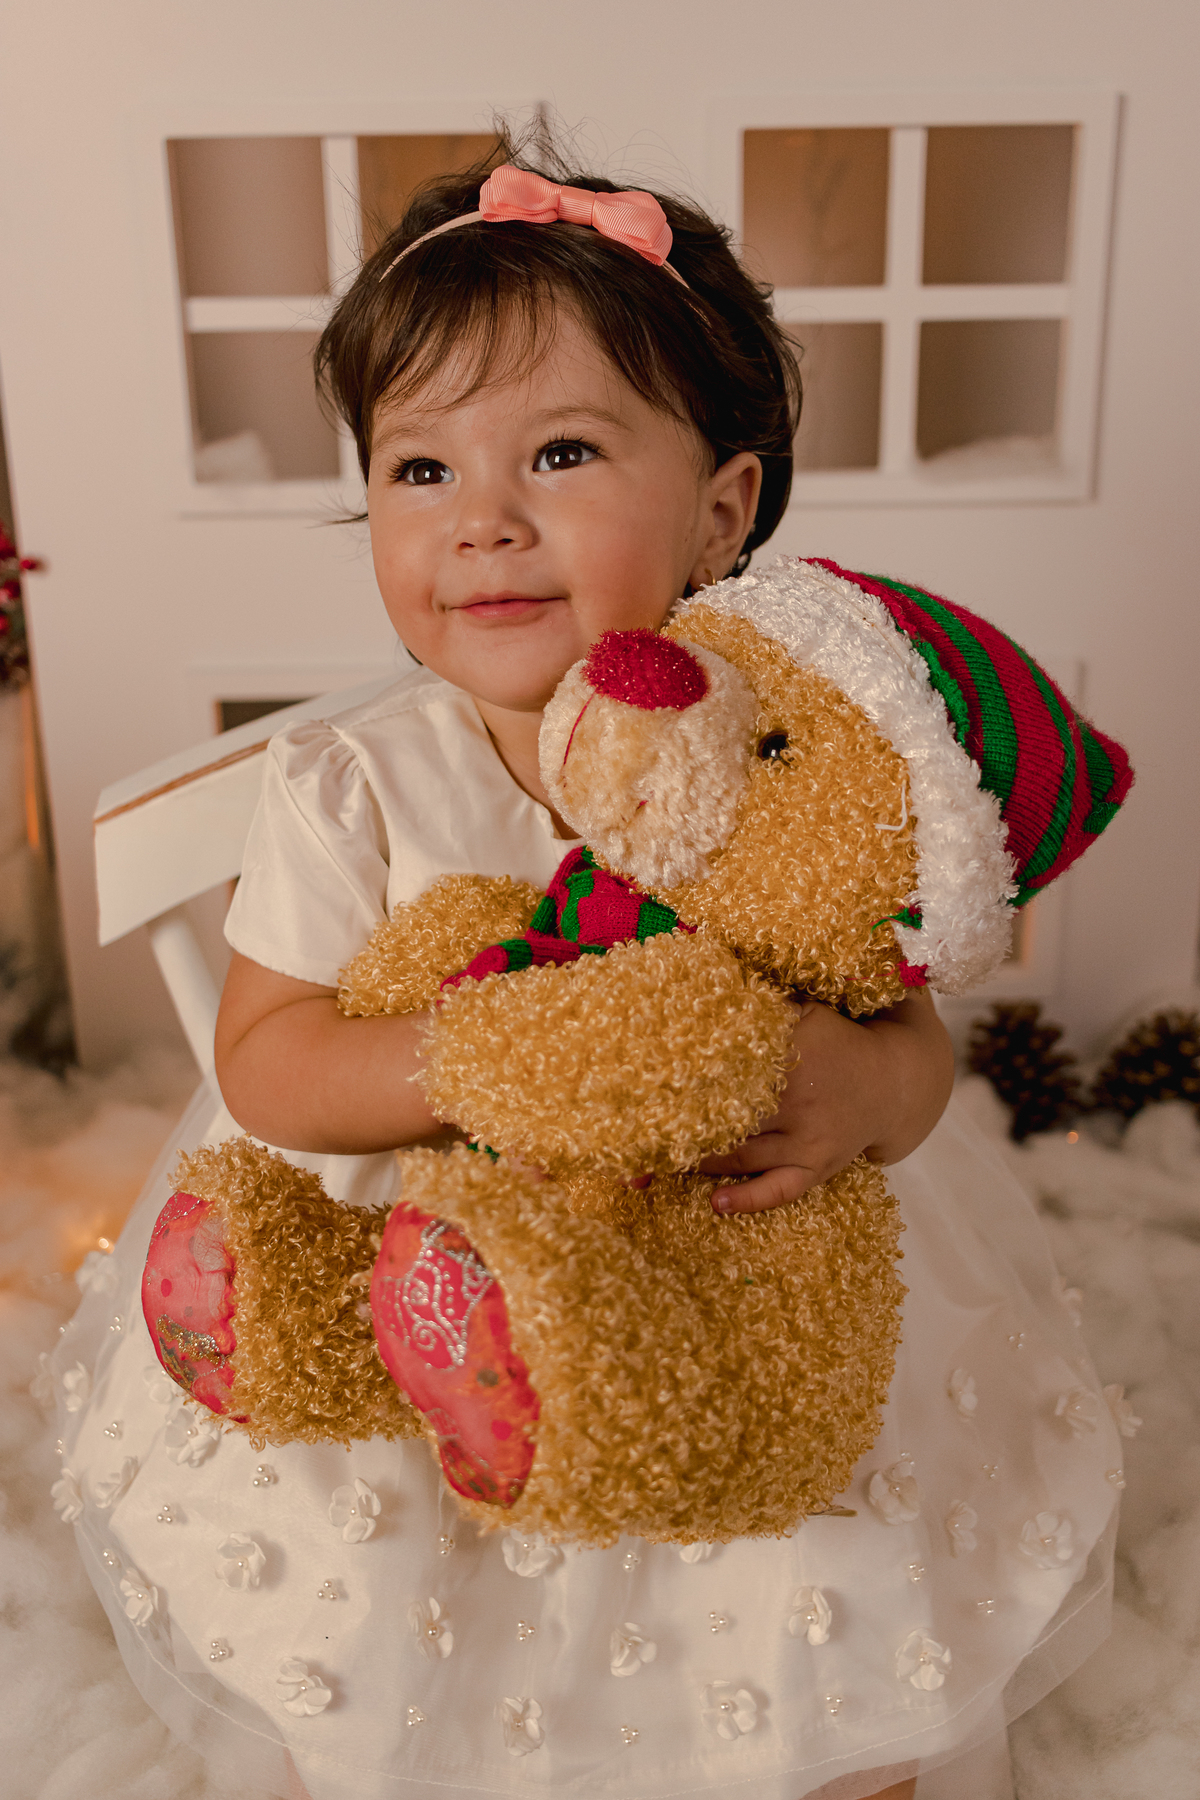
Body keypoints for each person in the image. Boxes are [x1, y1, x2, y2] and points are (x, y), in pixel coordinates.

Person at [53, 133, 1127, 1800]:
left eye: (558, 453)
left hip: (726, 1268)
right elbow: (267, 1055)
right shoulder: (358, 785)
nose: (482, 523)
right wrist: (482, 1066)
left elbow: (902, 1025)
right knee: (403, 1634)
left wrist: (862, 1090)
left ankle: (828, 1750)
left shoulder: (775, 753)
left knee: (815, 1566)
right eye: (419, 473)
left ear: (722, 511)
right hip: (441, 1271)